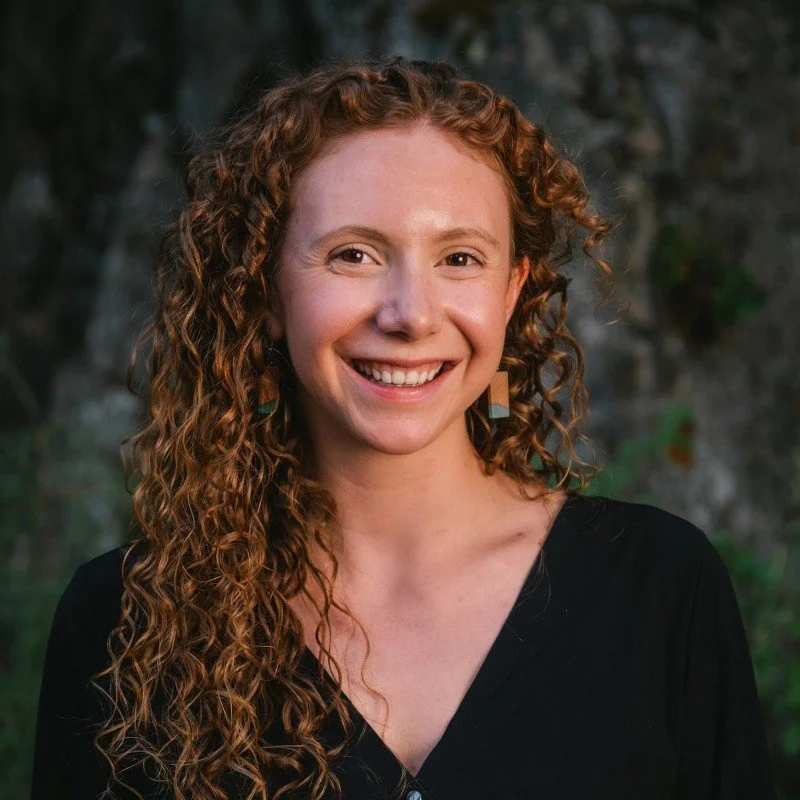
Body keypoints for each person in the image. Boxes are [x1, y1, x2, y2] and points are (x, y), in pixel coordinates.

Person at [31, 55, 776, 800]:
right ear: (261, 286)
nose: (411, 314)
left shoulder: (661, 590)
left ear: (512, 291)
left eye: (459, 258)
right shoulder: (123, 624)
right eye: (353, 255)